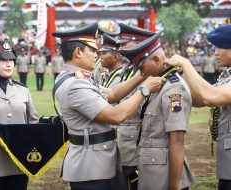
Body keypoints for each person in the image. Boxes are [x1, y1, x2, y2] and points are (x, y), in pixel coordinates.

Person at [52, 23, 165, 190]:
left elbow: (112, 94)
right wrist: (144, 90)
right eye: (92, 51)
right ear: (78, 52)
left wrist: (142, 74)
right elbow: (115, 116)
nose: (96, 55)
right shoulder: (76, 85)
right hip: (91, 168)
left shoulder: (75, 78)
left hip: (97, 162)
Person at [120, 32, 195, 190]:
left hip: (164, 175)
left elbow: (177, 140)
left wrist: (174, 185)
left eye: (141, 67)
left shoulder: (174, 89)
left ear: (156, 59)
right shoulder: (159, 84)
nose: (140, 73)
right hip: (152, 170)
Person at [165, 24, 231, 190]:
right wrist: (180, 74)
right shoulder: (227, 75)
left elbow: (210, 97)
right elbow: (199, 100)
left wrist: (187, 64)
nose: (216, 52)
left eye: (220, 47)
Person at [0, 40, 38, 190]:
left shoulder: (23, 90)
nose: (9, 64)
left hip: (19, 165)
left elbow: (33, 123)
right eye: (3, 60)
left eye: (11, 60)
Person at [116, 23, 155, 190]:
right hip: (124, 141)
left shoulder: (150, 71)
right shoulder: (128, 71)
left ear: (139, 44)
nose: (121, 48)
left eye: (125, 44)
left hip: (138, 143)